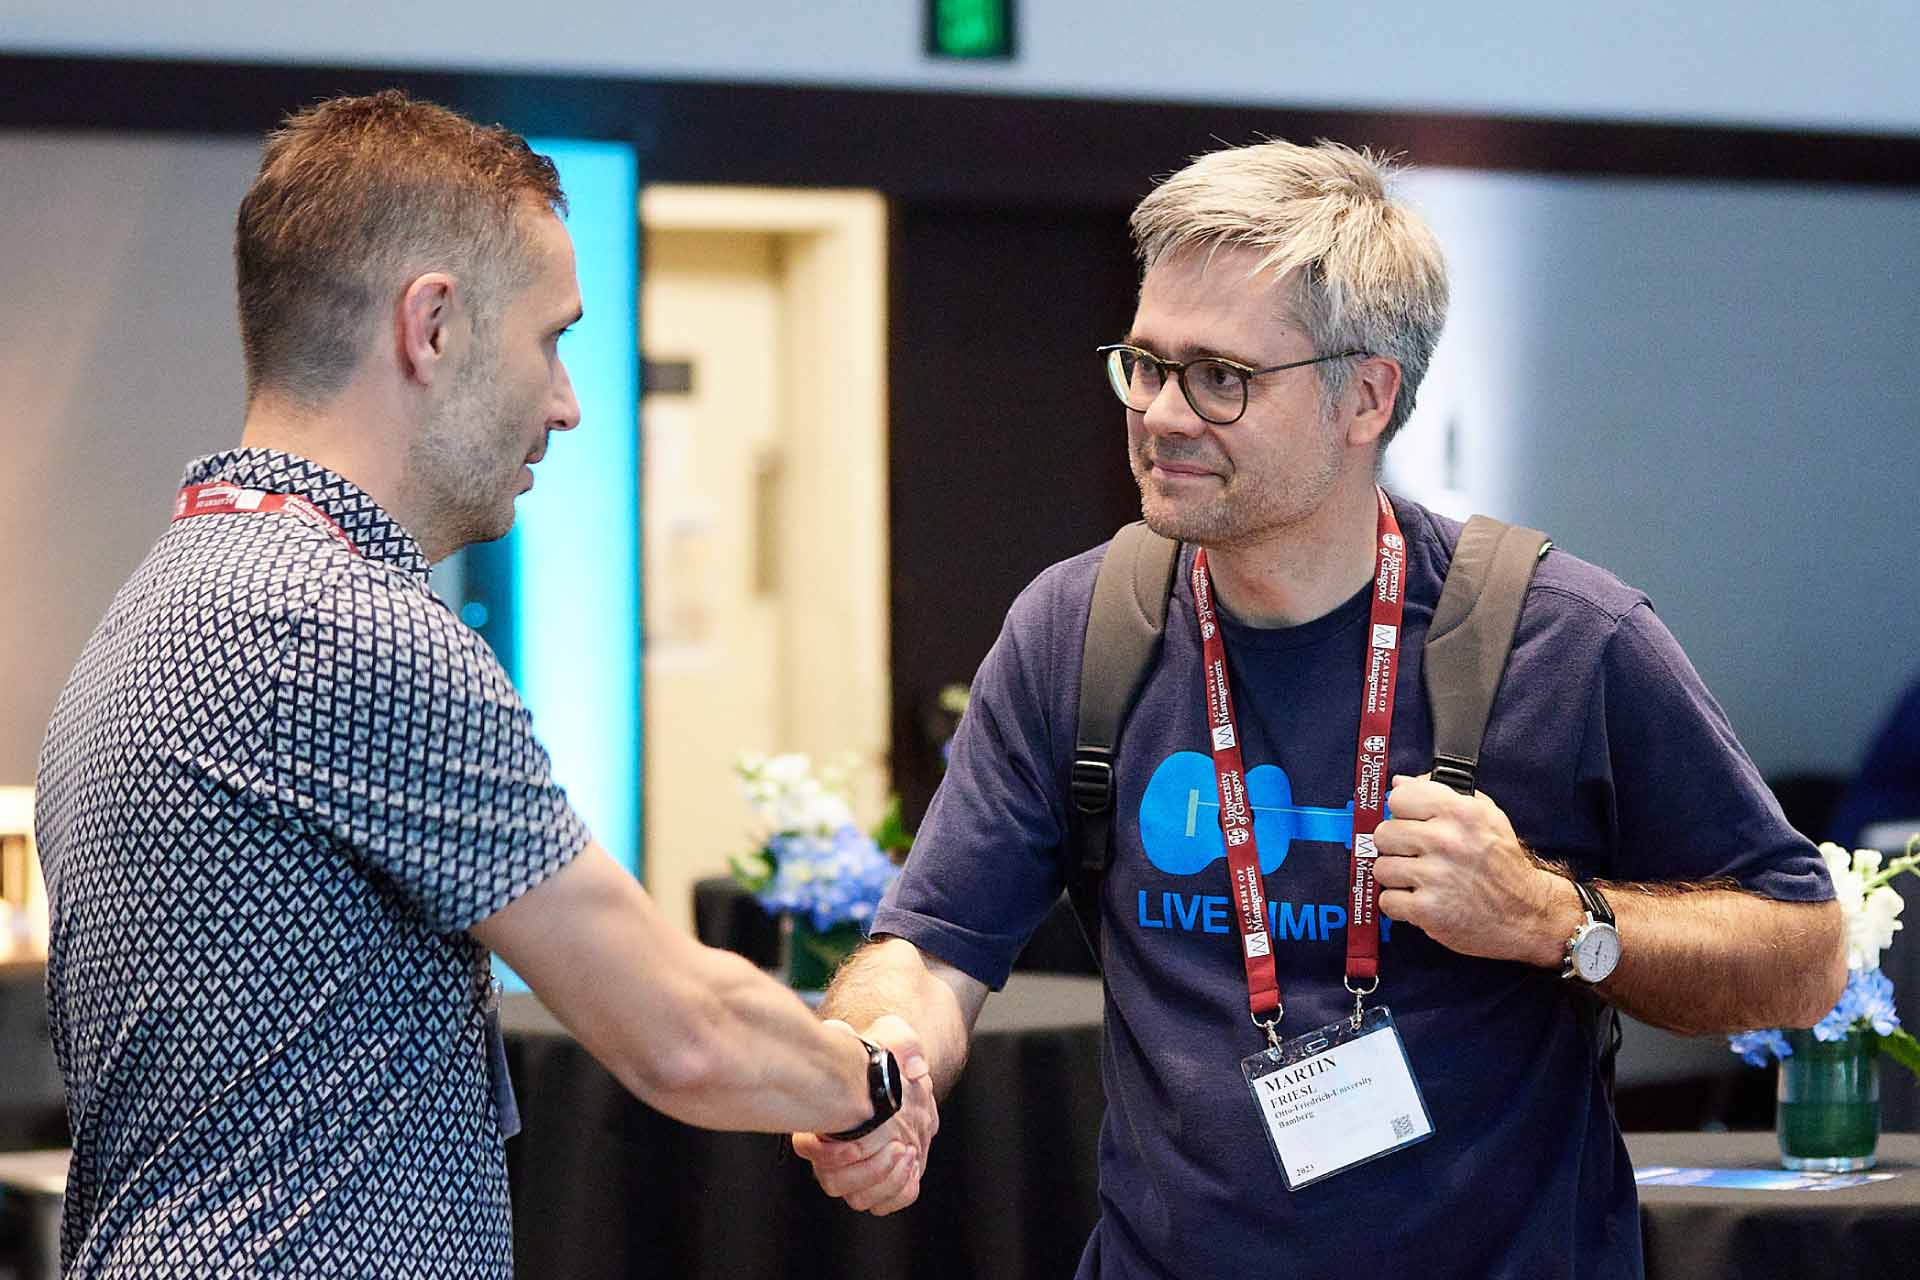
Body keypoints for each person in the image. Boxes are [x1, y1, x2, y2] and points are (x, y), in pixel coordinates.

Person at [794, 139, 1846, 1278]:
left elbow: (1802, 952)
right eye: (1144, 363)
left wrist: (1554, 915)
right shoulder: (1080, 628)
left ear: (1367, 396)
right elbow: (935, 946)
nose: (1161, 413)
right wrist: (883, 1049)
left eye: (1222, 376)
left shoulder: (1567, 640)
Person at [32, 91, 931, 1279]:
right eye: (552, 337)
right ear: (435, 325)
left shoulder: (162, 599)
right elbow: (681, 1030)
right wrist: (870, 1080)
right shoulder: (343, 627)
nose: (565, 401)